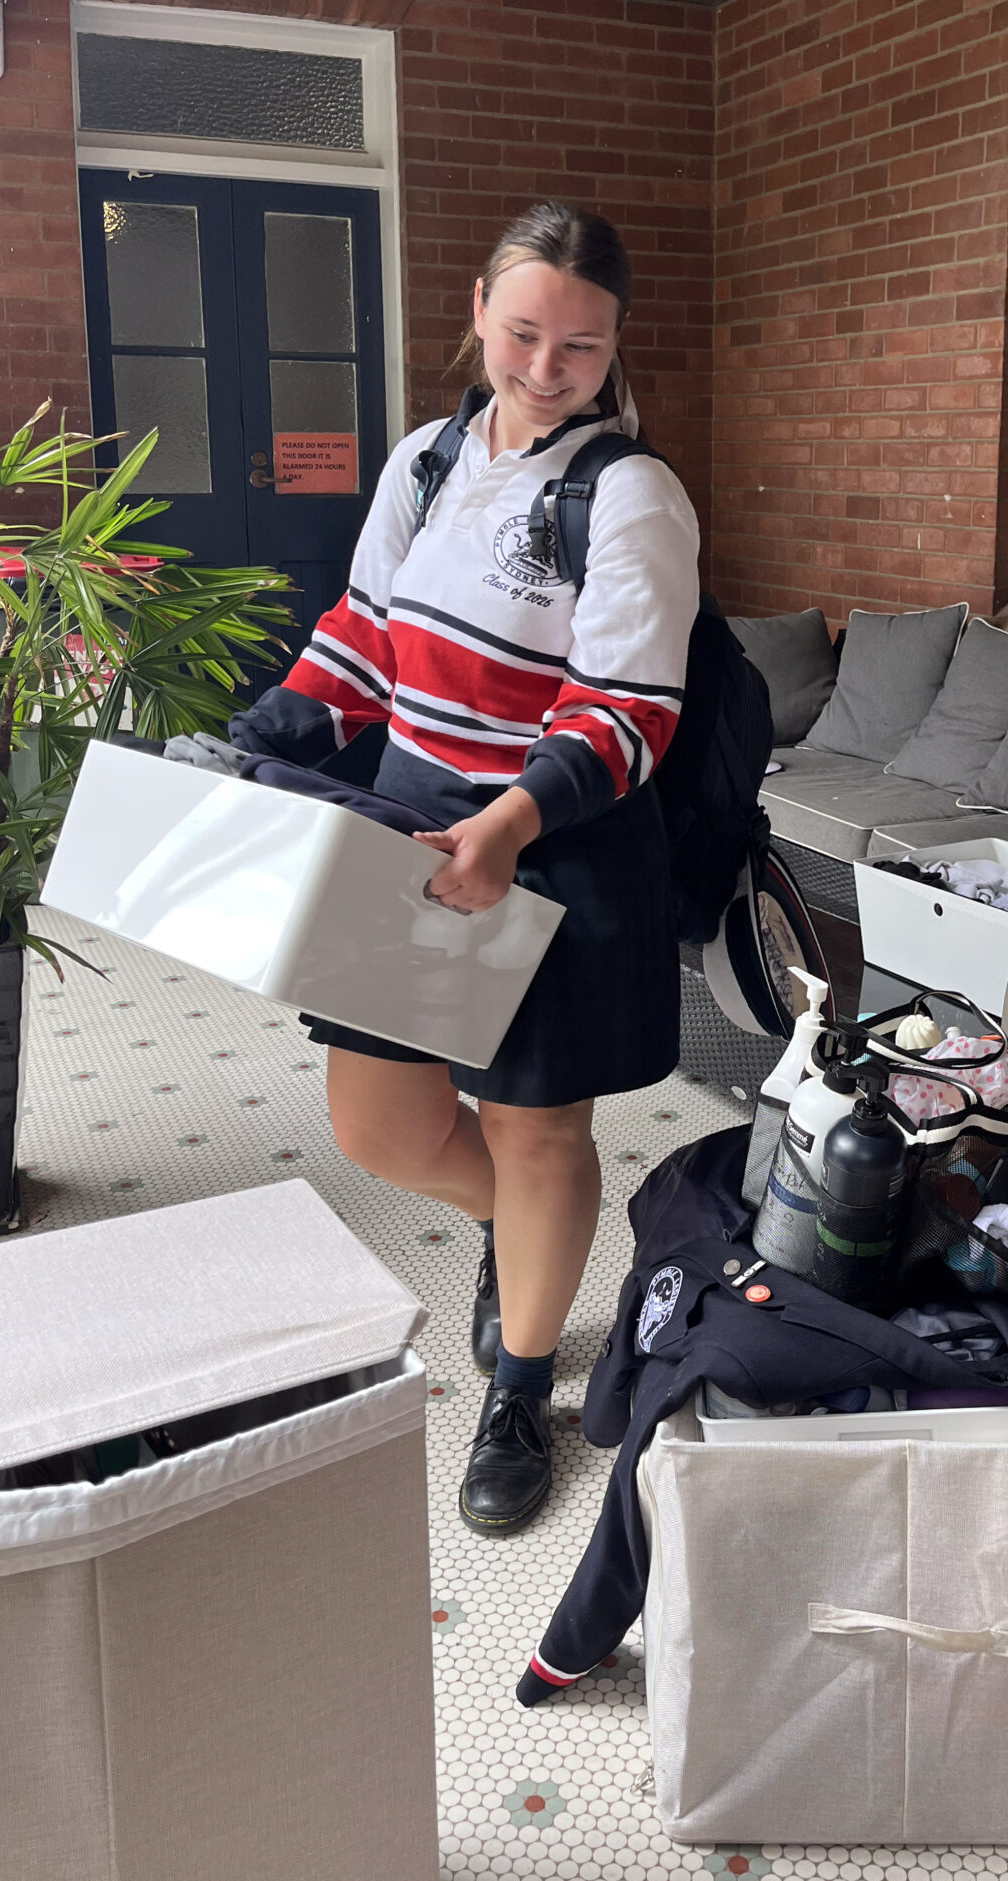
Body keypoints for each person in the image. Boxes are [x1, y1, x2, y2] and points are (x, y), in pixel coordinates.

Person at [235, 203, 700, 1537]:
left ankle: (520, 1386)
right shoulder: (427, 462)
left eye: (581, 346)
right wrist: (277, 725)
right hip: (409, 825)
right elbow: (367, 633)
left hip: (556, 836)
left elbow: (630, 710)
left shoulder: (630, 494)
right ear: (481, 312)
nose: (548, 368)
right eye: (525, 333)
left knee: (535, 1128)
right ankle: (528, 1232)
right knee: (379, 1126)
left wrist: (509, 824)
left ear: (615, 347)